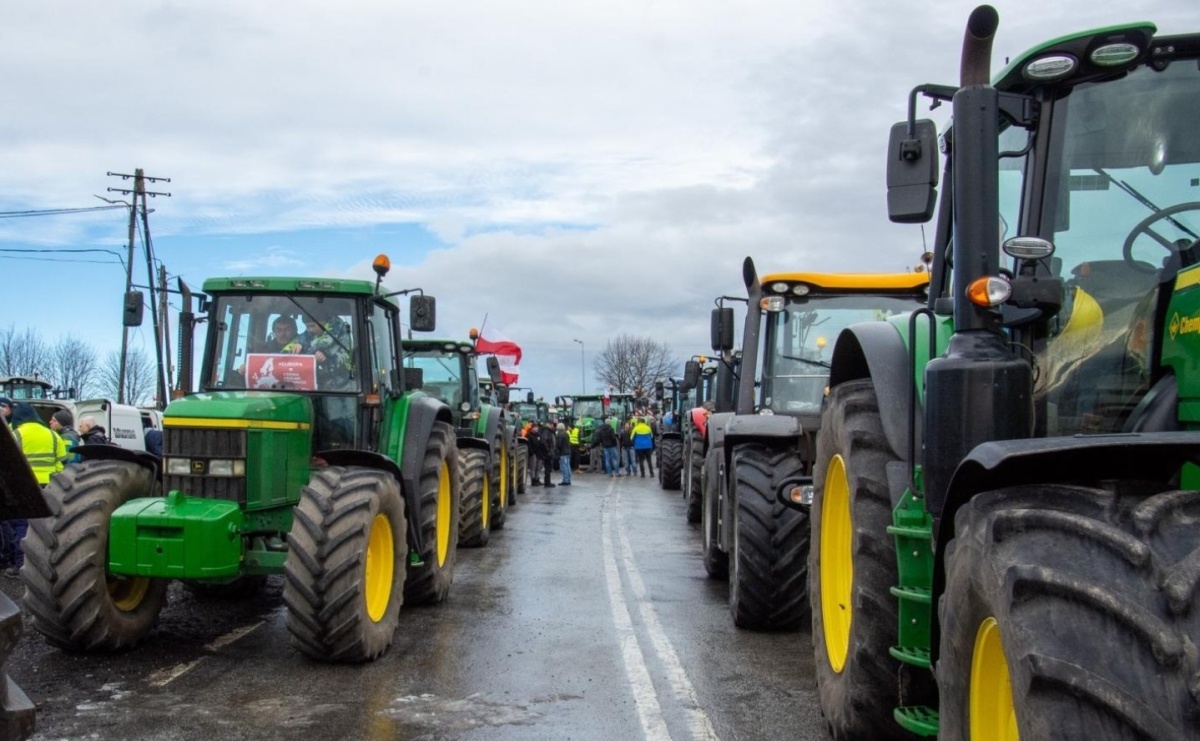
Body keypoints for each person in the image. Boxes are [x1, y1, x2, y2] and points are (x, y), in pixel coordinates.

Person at [8, 402, 67, 573]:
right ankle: (46, 563)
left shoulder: (16, 434)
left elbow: (10, 463)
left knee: (22, 525)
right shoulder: (53, 435)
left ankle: (21, 565)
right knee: (47, 525)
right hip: (50, 486)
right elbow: (61, 463)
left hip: (25, 485)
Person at [537, 420, 557, 488]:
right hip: (547, 453)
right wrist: (548, 451)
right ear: (547, 424)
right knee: (548, 468)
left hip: (549, 452)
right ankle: (547, 483)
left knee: (549, 468)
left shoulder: (550, 431)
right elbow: (544, 442)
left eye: (552, 424)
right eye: (550, 424)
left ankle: (548, 482)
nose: (552, 425)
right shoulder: (546, 431)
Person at [527, 421, 544, 486]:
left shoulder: (538, 435)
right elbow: (528, 445)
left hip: (539, 453)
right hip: (533, 454)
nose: (536, 428)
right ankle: (533, 480)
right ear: (532, 428)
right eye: (535, 427)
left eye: (537, 427)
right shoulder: (529, 435)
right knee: (533, 468)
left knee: (538, 467)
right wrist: (532, 452)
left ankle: (537, 479)